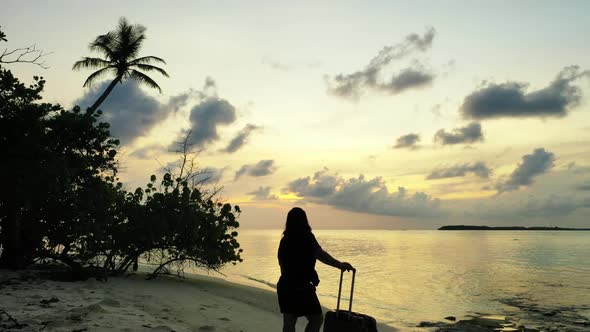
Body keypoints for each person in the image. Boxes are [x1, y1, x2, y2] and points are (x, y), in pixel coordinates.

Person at [277, 207, 354, 332]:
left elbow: (281, 263)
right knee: (316, 319)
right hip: (301, 287)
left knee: (289, 321)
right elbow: (320, 255)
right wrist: (339, 265)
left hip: (286, 285)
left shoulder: (285, 240)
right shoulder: (306, 237)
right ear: (304, 221)